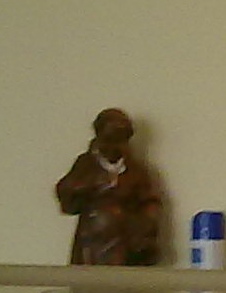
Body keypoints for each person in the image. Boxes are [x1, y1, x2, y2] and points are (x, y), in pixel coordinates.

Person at [56, 107, 163, 266]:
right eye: (109, 139)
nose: (114, 146)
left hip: (124, 244)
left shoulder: (136, 170)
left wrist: (146, 224)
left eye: (120, 139)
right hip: (91, 243)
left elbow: (150, 202)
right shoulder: (86, 164)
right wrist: (91, 185)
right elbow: (67, 195)